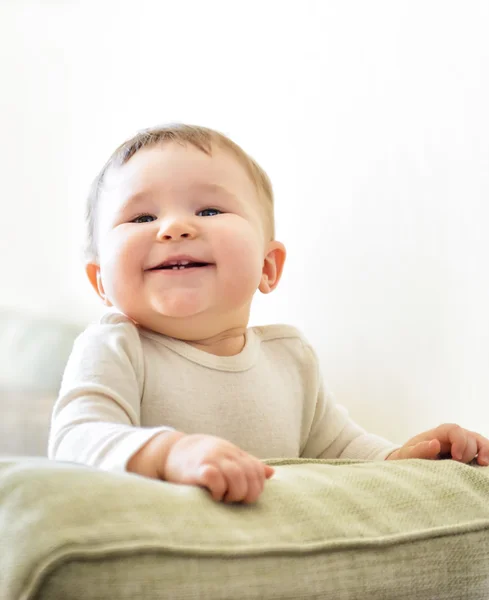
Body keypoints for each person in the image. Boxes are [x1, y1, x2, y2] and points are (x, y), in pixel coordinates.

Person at [48, 124, 489, 504]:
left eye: (209, 209)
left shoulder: (290, 360)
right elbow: (75, 441)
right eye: (142, 216)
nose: (175, 227)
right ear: (101, 281)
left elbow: (342, 450)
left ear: (267, 265)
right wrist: (169, 454)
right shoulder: (117, 347)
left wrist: (409, 458)